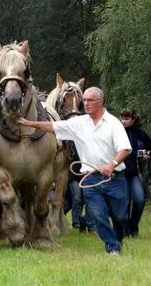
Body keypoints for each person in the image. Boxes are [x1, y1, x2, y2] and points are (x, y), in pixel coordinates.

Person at [18, 87, 131, 255]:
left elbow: (125, 149)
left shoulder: (113, 123)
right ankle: (112, 247)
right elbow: (53, 126)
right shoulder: (79, 123)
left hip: (114, 178)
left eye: (89, 100)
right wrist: (30, 123)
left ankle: (117, 238)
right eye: (84, 100)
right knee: (99, 216)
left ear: (100, 102)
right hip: (91, 178)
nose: (85, 103)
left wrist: (112, 164)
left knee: (120, 217)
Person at [119, 108, 151, 237]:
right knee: (125, 201)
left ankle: (134, 226)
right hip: (121, 172)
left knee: (139, 200)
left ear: (133, 120)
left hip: (135, 172)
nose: (124, 122)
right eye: (122, 119)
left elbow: (149, 147)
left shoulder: (140, 133)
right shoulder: (117, 132)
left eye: (127, 119)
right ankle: (126, 230)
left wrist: (147, 154)